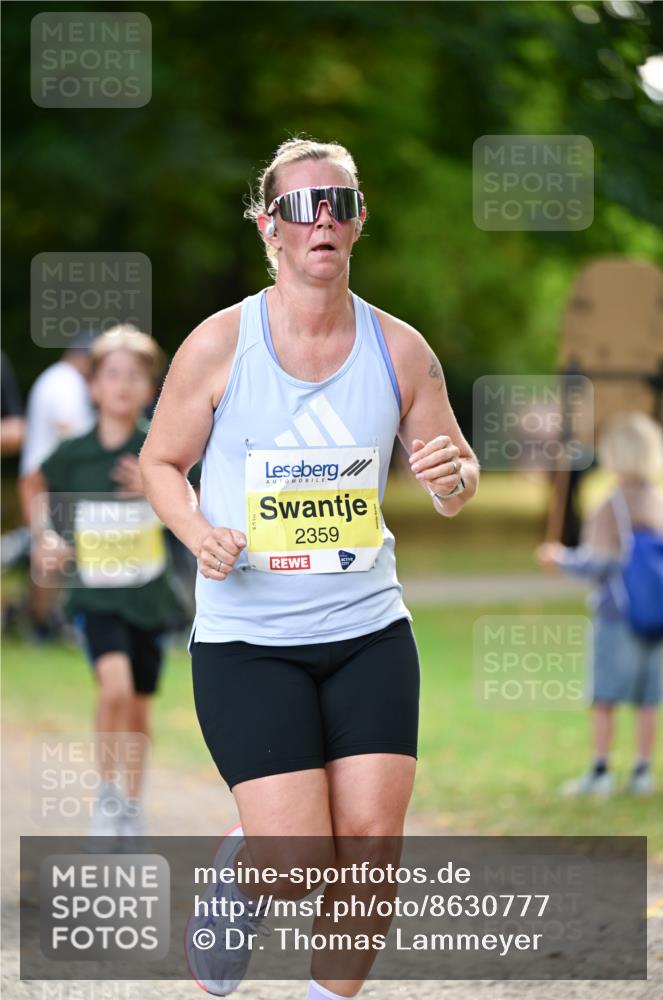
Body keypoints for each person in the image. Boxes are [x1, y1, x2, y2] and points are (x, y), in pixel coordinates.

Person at [139, 137, 480, 998]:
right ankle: (248, 867)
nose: (320, 217)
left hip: (367, 629)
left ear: (359, 222)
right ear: (269, 230)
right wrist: (196, 530)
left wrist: (454, 479)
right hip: (248, 639)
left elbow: (455, 474)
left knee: (369, 849)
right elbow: (158, 464)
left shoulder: (399, 350)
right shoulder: (219, 346)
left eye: (337, 203)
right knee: (298, 862)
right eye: (300, 206)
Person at [33, 325, 192, 841]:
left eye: (135, 376)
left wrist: (154, 490)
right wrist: (45, 535)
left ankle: (130, 803)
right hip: (95, 594)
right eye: (112, 374)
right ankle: (106, 796)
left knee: (140, 705)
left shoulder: (158, 450)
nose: (123, 385)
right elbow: (35, 480)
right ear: (93, 386)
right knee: (115, 686)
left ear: (150, 389)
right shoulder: (73, 452)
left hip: (147, 596)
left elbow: (190, 507)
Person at [536, 412, 663, 797]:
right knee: (648, 697)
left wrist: (559, 559)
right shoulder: (661, 501)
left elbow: (600, 562)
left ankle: (601, 769)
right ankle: (642, 771)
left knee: (606, 695)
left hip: (616, 615)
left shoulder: (610, 505)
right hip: (657, 614)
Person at [19, 337, 96, 639]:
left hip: (43, 479)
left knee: (49, 554)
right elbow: (70, 431)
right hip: (54, 481)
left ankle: (42, 625)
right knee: (54, 555)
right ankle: (44, 626)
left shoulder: (51, 378)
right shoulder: (67, 384)